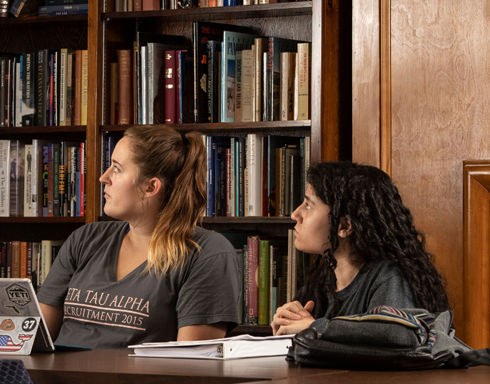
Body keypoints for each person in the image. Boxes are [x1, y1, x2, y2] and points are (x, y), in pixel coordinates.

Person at [37, 126, 242, 348]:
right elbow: (33, 339)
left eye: (116, 168)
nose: (103, 177)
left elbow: (190, 367)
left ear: (150, 187)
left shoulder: (207, 254)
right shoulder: (85, 239)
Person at [271, 161, 450, 335]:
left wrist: (315, 327)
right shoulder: (322, 283)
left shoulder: (388, 277)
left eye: (309, 206)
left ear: (344, 227)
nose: (295, 214)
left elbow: (396, 334)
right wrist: (287, 326)